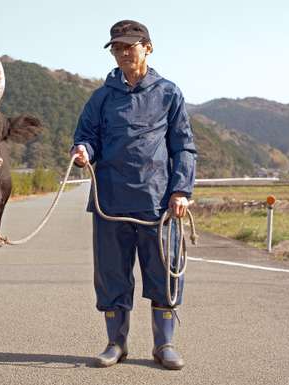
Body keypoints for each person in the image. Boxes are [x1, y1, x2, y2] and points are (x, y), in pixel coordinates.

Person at [71, 20, 197, 370]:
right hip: (110, 202)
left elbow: (183, 146)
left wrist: (181, 190)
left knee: (164, 273)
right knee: (112, 275)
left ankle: (164, 344)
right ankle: (116, 343)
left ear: (147, 47)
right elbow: (87, 136)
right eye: (117, 47)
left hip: (158, 204)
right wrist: (82, 150)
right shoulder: (101, 97)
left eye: (130, 45)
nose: (123, 52)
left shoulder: (169, 93)